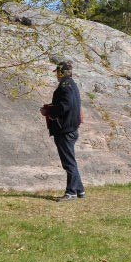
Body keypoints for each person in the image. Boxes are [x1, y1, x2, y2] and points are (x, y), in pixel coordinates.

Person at [40, 59, 85, 201]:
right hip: (70, 128)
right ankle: (79, 190)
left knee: (68, 163)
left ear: (61, 72)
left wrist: (49, 111)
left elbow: (65, 105)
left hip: (64, 130)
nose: (56, 75)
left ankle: (71, 192)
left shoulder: (65, 86)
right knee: (70, 161)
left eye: (57, 72)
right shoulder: (72, 84)